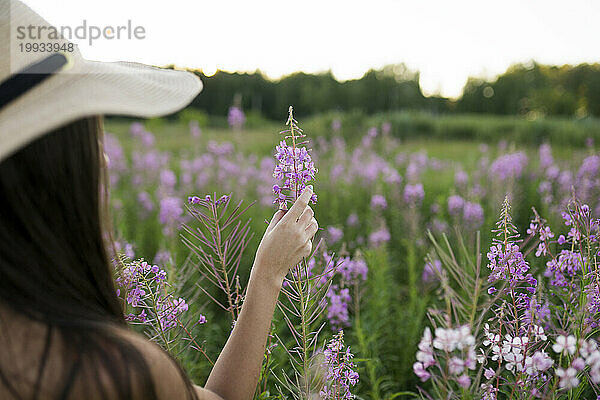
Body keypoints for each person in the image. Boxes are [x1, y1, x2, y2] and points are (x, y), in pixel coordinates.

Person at [0, 1, 318, 399]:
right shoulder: (109, 371)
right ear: (55, 173)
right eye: (93, 137)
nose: (104, 157)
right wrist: (268, 273)